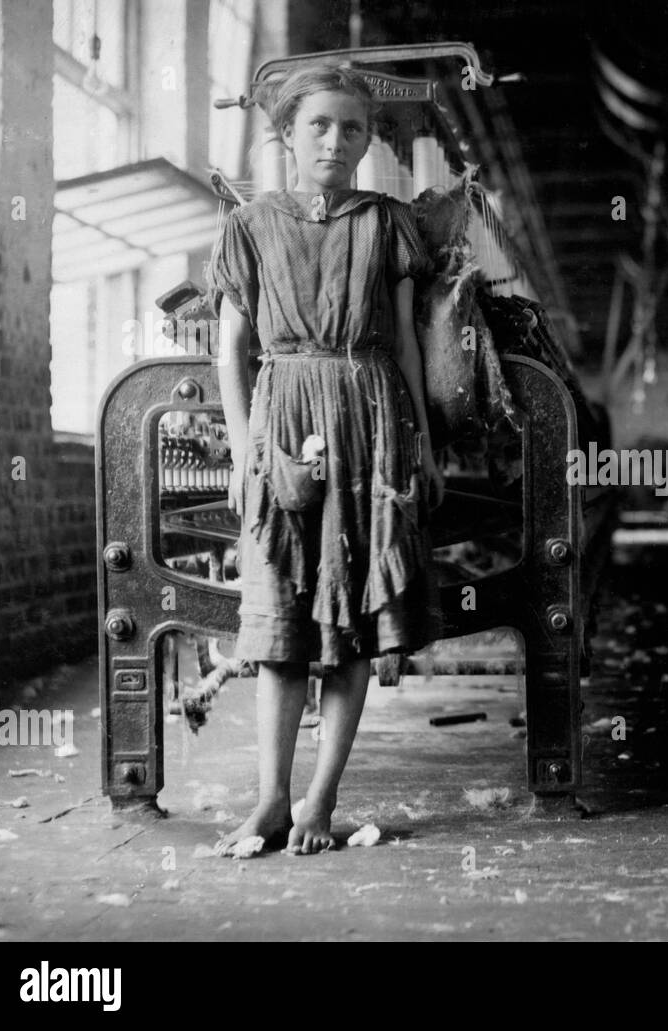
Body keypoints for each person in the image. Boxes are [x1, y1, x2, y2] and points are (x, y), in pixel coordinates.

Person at [209, 64, 443, 854]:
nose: (335, 141)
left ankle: (319, 799)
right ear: (286, 135)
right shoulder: (249, 225)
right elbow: (232, 349)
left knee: (353, 620)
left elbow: (407, 340)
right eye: (318, 126)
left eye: (351, 128)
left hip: (371, 417)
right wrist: (246, 452)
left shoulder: (389, 224)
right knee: (279, 621)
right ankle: (270, 799)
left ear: (368, 139)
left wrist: (420, 440)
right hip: (283, 415)